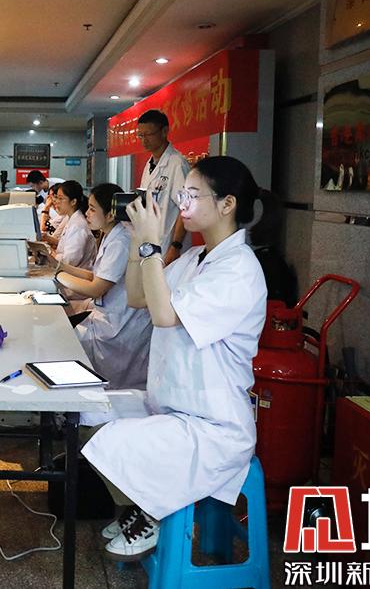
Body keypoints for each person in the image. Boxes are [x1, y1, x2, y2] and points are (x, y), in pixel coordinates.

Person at [83, 156, 267, 561]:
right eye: (182, 194)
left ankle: (155, 510)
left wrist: (152, 244)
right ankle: (146, 502)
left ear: (227, 204)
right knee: (85, 413)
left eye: (192, 195)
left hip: (213, 422)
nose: (182, 203)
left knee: (115, 440)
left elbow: (164, 315)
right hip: (171, 404)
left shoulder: (239, 269)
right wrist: (139, 241)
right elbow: (138, 297)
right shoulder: (195, 257)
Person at [45, 183, 147, 390]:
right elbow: (95, 275)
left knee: (60, 342)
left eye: (92, 209)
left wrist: (59, 275)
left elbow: (96, 287)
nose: (87, 213)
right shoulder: (112, 234)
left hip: (117, 323)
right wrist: (58, 266)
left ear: (110, 215)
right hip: (105, 315)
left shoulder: (120, 241)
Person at [135, 109, 190, 266]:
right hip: (151, 243)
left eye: (148, 134)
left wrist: (176, 245)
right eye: (140, 135)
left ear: (164, 131)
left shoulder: (177, 164)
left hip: (169, 247)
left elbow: (185, 208)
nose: (144, 140)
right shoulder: (150, 164)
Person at [43, 180, 95, 270]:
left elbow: (69, 261)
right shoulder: (70, 219)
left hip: (74, 275)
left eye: (60, 198)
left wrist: (50, 253)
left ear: (73, 202)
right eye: (56, 198)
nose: (56, 202)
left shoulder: (78, 225)